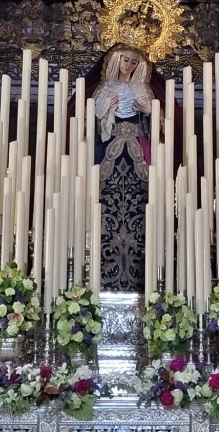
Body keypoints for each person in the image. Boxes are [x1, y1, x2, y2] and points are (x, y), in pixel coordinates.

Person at [91, 44, 154, 291]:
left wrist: (150, 111)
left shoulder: (142, 88)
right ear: (117, 60)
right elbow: (93, 119)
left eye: (134, 62)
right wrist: (106, 107)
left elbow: (156, 122)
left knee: (141, 196)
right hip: (110, 145)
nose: (128, 65)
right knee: (104, 194)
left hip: (137, 147)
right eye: (125, 60)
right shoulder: (105, 87)